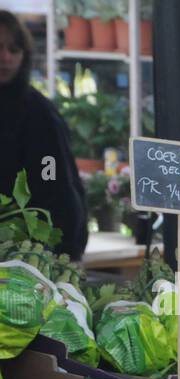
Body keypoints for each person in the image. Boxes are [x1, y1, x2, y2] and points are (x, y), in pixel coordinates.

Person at [0, 10, 88, 259]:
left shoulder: (37, 114)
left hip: (26, 255)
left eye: (14, 49)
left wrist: (65, 253)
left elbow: (57, 186)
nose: (5, 57)